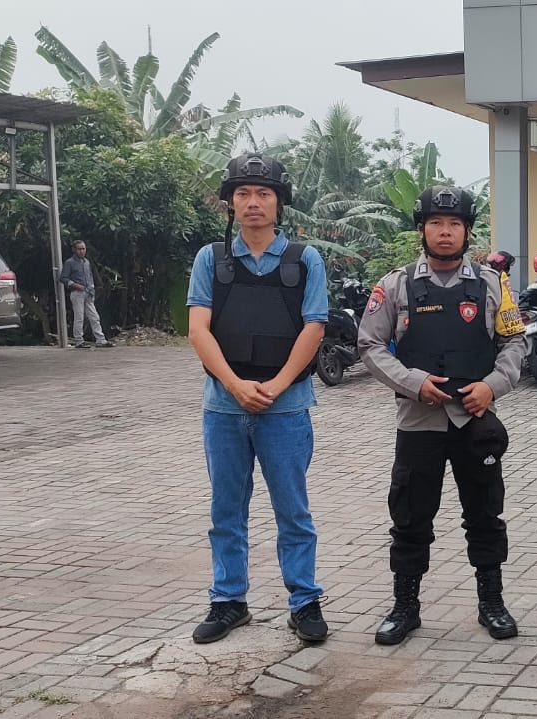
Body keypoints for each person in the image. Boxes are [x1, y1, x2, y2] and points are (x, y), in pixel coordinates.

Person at [359, 186, 527, 646]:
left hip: (476, 420)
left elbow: (514, 341)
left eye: (455, 224)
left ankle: (492, 603)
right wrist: (413, 383)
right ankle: (405, 607)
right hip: (419, 423)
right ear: (422, 229)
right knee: (410, 517)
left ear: (468, 231)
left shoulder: (492, 284)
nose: (446, 232)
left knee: (485, 514)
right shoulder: (395, 285)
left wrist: (493, 386)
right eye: (436, 223)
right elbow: (370, 344)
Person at [185, 153, 330, 644]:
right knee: (226, 510)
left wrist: (278, 384)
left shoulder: (305, 260)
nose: (253, 202)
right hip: (224, 409)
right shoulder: (211, 259)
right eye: (243, 193)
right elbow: (198, 329)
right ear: (230, 202)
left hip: (285, 410)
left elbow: (314, 327)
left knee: (293, 511)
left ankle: (304, 601)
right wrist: (235, 385)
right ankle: (228, 600)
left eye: (263, 193)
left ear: (279, 202)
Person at [58, 241, 114, 348]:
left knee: (94, 317)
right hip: (77, 293)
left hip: (88, 292)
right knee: (79, 317)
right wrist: (75, 285)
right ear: (74, 250)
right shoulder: (69, 262)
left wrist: (92, 288)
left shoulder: (86, 262)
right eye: (79, 249)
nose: (82, 251)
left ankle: (101, 339)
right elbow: (63, 278)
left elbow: (90, 276)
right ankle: (79, 341)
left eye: (83, 249)